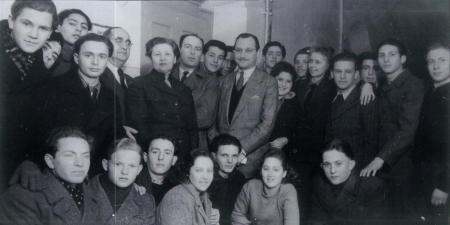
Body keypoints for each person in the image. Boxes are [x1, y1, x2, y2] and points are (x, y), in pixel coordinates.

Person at [35, 33, 124, 175]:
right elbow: (38, 136)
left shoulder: (111, 97)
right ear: (76, 58)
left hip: (96, 173)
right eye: (88, 55)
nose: (95, 62)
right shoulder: (54, 87)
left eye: (102, 57)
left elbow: (114, 141)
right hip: (57, 171)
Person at [360, 38, 424, 221]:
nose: (386, 59)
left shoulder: (413, 84)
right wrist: (368, 84)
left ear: (402, 58)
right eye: (382, 55)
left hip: (403, 167)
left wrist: (380, 159)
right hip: (383, 167)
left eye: (392, 55)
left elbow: (407, 131)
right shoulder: (384, 85)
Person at [0, 0, 57, 191]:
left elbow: (39, 127)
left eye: (43, 28)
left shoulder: (42, 71)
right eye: (26, 24)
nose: (33, 35)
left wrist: (29, 159)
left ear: (49, 33)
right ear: (11, 21)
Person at [208, 33, 278, 179]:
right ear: (233, 53)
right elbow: (211, 120)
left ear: (258, 53)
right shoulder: (222, 81)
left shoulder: (268, 83)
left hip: (249, 161)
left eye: (249, 50)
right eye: (238, 50)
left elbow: (267, 125)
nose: (243, 55)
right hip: (219, 161)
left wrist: (240, 151)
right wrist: (218, 148)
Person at [0, 127, 100, 224]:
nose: (80, 163)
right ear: (50, 161)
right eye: (69, 155)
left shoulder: (91, 193)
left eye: (85, 156)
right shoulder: (23, 197)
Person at [126, 37, 199, 162]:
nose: (162, 58)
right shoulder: (140, 84)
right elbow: (140, 126)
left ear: (175, 58)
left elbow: (192, 128)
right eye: (157, 54)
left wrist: (192, 157)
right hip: (157, 155)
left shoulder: (184, 89)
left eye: (167, 54)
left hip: (183, 154)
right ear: (151, 58)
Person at [292, 46, 337, 220]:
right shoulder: (299, 84)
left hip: (315, 152)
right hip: (296, 151)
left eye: (318, 62)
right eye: (311, 61)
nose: (312, 65)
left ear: (327, 66)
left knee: (312, 199)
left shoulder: (332, 87)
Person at [311, 139, 391, 224]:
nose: (332, 170)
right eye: (327, 164)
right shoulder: (319, 182)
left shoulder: (374, 187)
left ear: (351, 165)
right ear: (322, 166)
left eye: (338, 163)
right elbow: (317, 221)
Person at [413, 43, 449, 224]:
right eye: (431, 61)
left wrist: (444, 185)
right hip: (424, 175)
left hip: (442, 177)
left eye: (442, 60)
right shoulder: (430, 91)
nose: (436, 66)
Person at [325, 51, 379, 171]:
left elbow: (371, 142)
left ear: (356, 74)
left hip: (355, 170)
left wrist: (363, 175)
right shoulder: (331, 98)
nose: (342, 76)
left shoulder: (365, 98)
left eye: (348, 72)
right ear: (332, 74)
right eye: (338, 71)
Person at [90, 138, 155, 224]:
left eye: (132, 166)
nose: (125, 172)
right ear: (106, 165)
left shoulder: (146, 202)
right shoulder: (86, 192)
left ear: (139, 170)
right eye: (118, 164)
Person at [171, 34, 219, 151]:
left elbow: (205, 117)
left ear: (201, 55)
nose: (192, 52)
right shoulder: (166, 73)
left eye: (197, 49)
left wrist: (166, 119)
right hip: (164, 140)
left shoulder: (210, 81)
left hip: (193, 142)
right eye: (188, 47)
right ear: (179, 49)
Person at [231, 148, 300, 225]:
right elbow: (237, 215)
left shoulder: (288, 190)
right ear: (261, 171)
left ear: (284, 173)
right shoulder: (250, 186)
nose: (270, 174)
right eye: (266, 169)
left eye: (276, 170)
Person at [157, 150, 219, 225]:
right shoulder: (176, 198)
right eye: (199, 170)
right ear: (187, 172)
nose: (205, 177)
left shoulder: (203, 195)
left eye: (209, 171)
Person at [208, 134, 246, 225]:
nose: (230, 161)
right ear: (214, 156)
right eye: (224, 155)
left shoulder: (239, 178)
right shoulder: (206, 179)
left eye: (234, 156)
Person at [101, 27, 134, 123]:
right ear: (106, 44)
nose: (125, 47)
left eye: (128, 43)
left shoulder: (131, 81)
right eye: (119, 41)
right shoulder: (97, 76)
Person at [135, 134, 179, 206]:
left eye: (167, 153)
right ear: (145, 157)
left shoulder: (178, 187)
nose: (161, 157)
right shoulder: (133, 184)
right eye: (155, 152)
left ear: (174, 160)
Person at [268, 61, 301, 152]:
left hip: (281, 153)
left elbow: (299, 130)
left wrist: (286, 139)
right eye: (280, 79)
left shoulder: (294, 102)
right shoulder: (261, 98)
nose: (283, 84)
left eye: (288, 81)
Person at [52, 9, 92, 76]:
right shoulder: (51, 56)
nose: (79, 29)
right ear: (58, 27)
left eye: (84, 27)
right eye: (72, 24)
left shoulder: (87, 60)